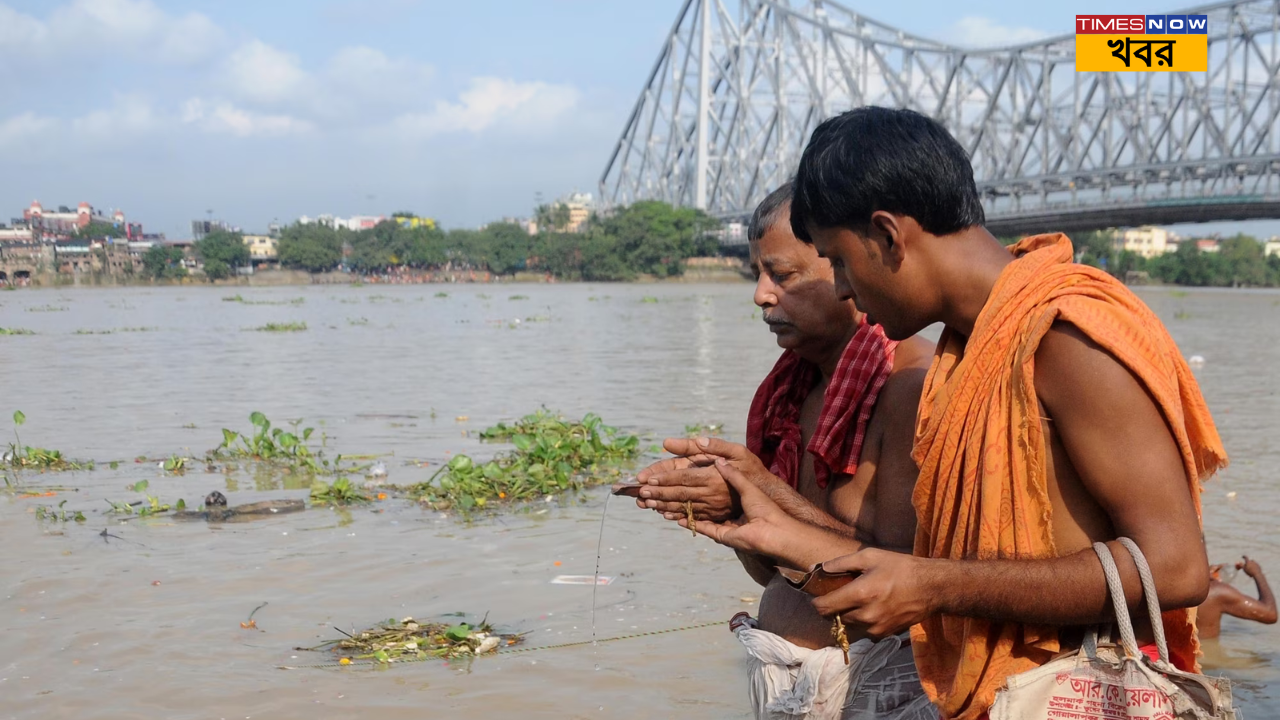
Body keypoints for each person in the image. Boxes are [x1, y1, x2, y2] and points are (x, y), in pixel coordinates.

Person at [763, 106, 1224, 720]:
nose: (843, 288)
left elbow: (1177, 566)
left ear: (888, 234)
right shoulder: (966, 351)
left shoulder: (1063, 338)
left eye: (840, 260)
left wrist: (935, 584)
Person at [634, 182, 935, 719]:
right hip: (787, 683)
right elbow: (775, 573)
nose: (762, 295)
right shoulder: (787, 395)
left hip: (883, 686)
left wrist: (762, 490)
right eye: (758, 274)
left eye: (783, 275)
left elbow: (900, 584)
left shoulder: (909, 385)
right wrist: (731, 509)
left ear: (848, 269)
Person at [1198, 556, 1276, 639]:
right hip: (1203, 651)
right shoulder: (1216, 592)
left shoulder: (1184, 588)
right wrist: (1257, 573)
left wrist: (1203, 574)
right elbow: (1270, 613)